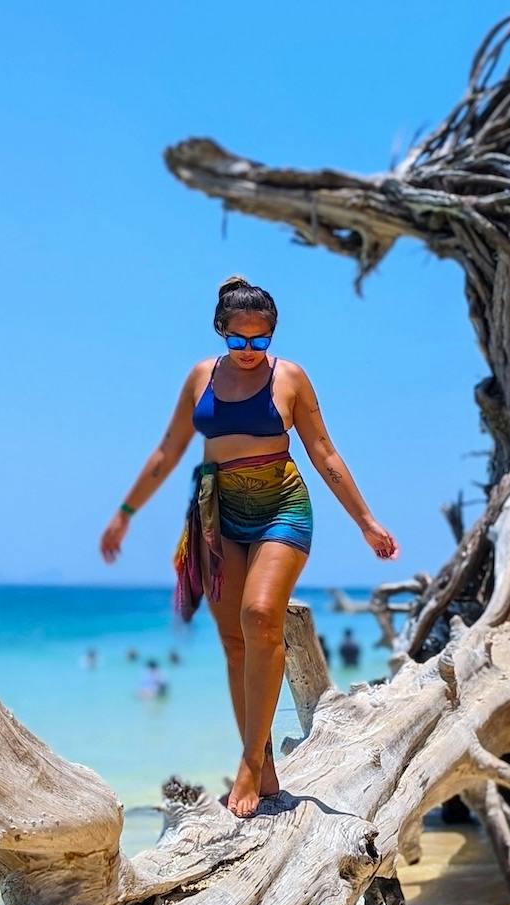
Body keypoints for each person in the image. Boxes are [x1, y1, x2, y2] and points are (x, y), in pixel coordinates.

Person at [100, 275, 399, 818]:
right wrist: (125, 514)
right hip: (217, 512)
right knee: (236, 643)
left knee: (262, 615)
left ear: (272, 338)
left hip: (281, 503)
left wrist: (367, 521)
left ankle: (245, 762)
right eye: (238, 340)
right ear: (221, 331)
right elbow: (168, 451)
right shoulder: (199, 377)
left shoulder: (291, 378)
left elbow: (325, 454)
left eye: (260, 342)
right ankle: (263, 766)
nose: (248, 351)